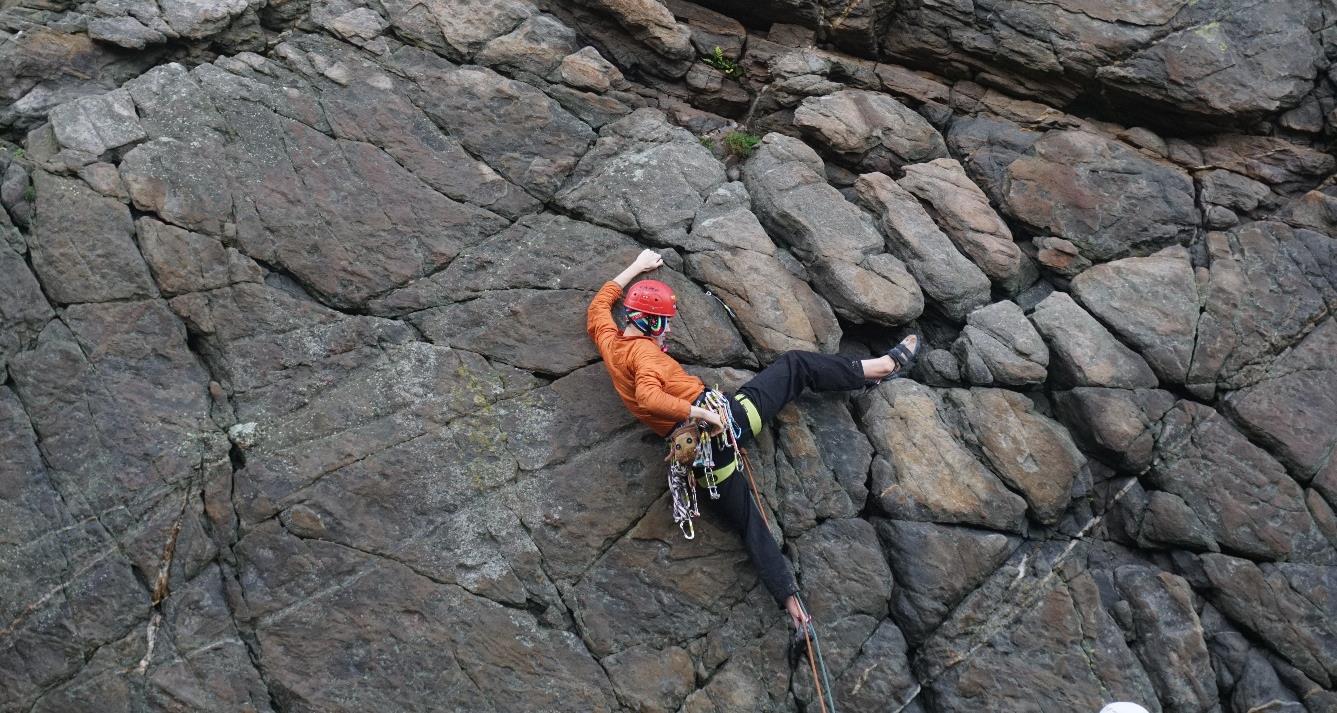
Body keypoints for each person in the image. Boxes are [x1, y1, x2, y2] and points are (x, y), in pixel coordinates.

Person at [586, 249, 920, 630]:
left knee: (749, 521)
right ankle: (883, 366)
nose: (668, 330)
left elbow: (601, 302)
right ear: (646, 323)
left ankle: (794, 607)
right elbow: (648, 395)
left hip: (696, 459)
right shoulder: (644, 354)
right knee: (797, 366)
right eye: (663, 324)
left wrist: (638, 268)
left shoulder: (609, 340)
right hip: (727, 421)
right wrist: (704, 413)